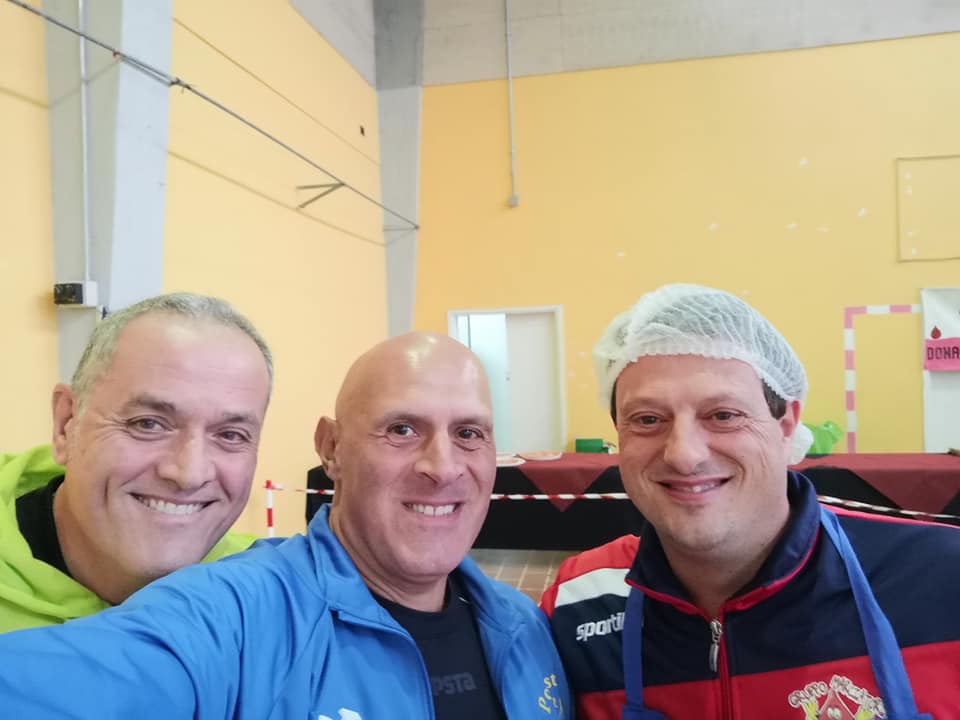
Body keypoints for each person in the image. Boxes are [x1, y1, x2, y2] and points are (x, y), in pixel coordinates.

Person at [0, 332, 570, 719]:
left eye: (469, 433)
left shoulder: (523, 626)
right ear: (332, 448)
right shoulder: (237, 613)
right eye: (401, 429)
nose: (442, 467)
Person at [542, 283, 960, 719]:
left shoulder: (943, 577)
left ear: (786, 426)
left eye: (723, 415)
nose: (683, 454)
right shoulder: (577, 603)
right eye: (647, 419)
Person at [0, 292, 272, 632]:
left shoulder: (266, 598)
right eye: (148, 424)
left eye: (230, 435)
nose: (189, 474)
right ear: (66, 424)